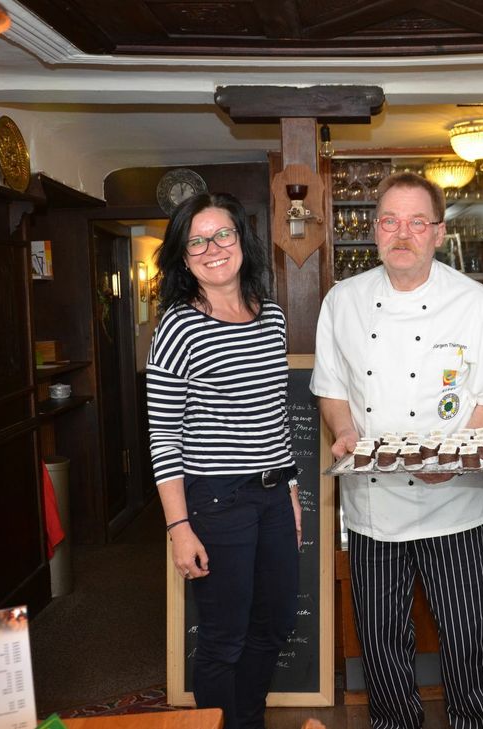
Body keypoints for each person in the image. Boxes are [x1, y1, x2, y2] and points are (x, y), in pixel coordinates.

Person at [311, 172, 483, 729]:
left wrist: (451, 460)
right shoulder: (343, 301)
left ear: (438, 232)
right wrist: (344, 431)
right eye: (390, 221)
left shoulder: (473, 302)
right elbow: (332, 390)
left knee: (467, 637)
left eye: (416, 222)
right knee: (381, 644)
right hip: (372, 508)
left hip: (455, 506)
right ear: (375, 231)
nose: (401, 234)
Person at [147, 192, 303, 729]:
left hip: (272, 495)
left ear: (242, 240)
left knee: (276, 623)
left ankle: (247, 721)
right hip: (215, 500)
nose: (212, 248)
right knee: (224, 639)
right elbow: (163, 436)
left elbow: (276, 414)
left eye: (222, 235)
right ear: (183, 257)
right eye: (197, 240)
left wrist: (290, 494)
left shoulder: (273, 315)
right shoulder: (177, 327)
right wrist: (178, 528)